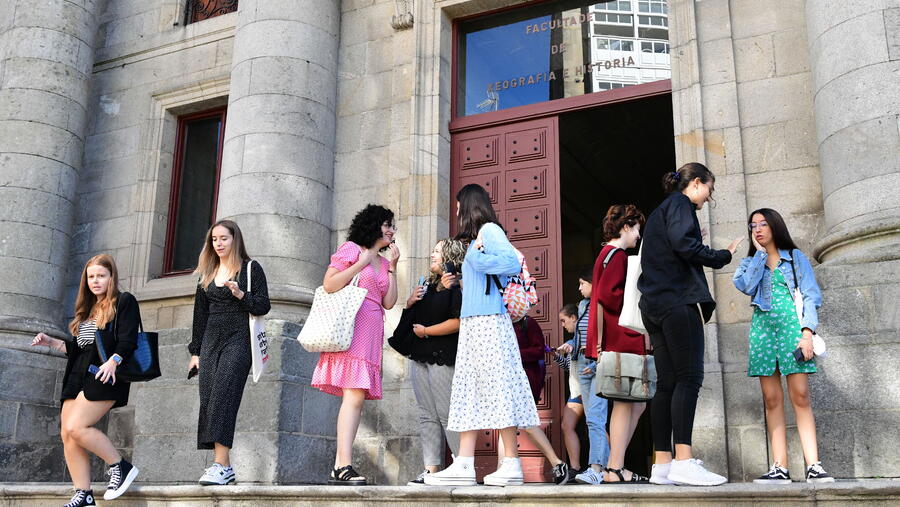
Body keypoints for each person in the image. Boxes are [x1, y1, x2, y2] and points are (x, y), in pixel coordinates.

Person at [424, 184, 539, 487]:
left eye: (459, 205)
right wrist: (462, 281)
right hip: (477, 321)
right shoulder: (479, 238)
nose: (457, 210)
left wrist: (476, 261)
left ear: (469, 205)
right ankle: (465, 462)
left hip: (488, 321)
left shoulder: (489, 230)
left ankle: (511, 464)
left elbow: (511, 263)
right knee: (468, 389)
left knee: (497, 387)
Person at [637, 162, 744, 486]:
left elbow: (673, 246)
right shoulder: (681, 204)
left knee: (667, 384)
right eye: (709, 190)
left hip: (653, 307)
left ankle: (662, 466)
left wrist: (694, 238)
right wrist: (722, 255)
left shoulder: (660, 211)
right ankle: (684, 461)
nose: (707, 197)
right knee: (689, 378)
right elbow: (685, 246)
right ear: (696, 183)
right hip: (676, 303)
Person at [733, 208, 834, 484]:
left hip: (793, 332)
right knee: (771, 399)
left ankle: (814, 465)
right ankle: (780, 467)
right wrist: (760, 256)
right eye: (753, 225)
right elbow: (744, 285)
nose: (758, 229)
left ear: (775, 226)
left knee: (800, 395)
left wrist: (807, 334)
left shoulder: (795, 258)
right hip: (763, 334)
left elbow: (811, 295)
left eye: (763, 224)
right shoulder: (750, 264)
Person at [31, 254, 141, 506]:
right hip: (78, 377)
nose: (95, 281)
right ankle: (84, 494)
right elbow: (81, 350)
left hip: (105, 374)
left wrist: (114, 361)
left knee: (76, 427)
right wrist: (53, 342)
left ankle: (120, 466)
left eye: (101, 275)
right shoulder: (88, 309)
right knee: (67, 434)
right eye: (91, 277)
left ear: (111, 277)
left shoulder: (123, 301)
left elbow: (128, 340)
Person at [312, 204, 400, 485]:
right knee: (353, 397)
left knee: (357, 397)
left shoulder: (384, 264)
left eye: (393, 226)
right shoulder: (352, 249)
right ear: (374, 225)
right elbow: (329, 284)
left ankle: (341, 465)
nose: (391, 230)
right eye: (387, 224)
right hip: (351, 326)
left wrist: (394, 269)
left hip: (372, 328)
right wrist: (361, 263)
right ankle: (343, 464)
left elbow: (388, 302)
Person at [188, 220, 271, 486]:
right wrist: (195, 352)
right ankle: (224, 466)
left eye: (224, 238)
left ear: (235, 239)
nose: (219, 243)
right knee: (209, 397)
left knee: (224, 394)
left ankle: (218, 465)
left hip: (239, 339)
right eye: (214, 239)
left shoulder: (250, 268)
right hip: (211, 339)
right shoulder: (208, 272)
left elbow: (263, 305)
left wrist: (240, 295)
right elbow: (199, 316)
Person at [388, 238, 465, 485]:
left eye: (437, 252)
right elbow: (414, 319)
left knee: (446, 413)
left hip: (442, 356)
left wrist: (428, 331)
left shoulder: (457, 288)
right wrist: (410, 302)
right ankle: (431, 470)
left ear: (450, 257)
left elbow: (459, 322)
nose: (431, 255)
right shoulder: (428, 287)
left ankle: (463, 466)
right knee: (426, 415)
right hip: (419, 355)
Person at [591, 205, 650, 484]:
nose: (638, 235)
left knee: (634, 405)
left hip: (616, 339)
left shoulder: (606, 254)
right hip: (621, 338)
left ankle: (616, 464)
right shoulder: (617, 256)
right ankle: (615, 468)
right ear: (625, 227)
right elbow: (608, 296)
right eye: (637, 229)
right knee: (626, 404)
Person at [500, 314, 571, 485]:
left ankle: (558, 463)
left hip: (527, 379)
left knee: (528, 424)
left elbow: (538, 350)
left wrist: (513, 354)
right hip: (506, 379)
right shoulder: (500, 323)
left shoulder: (528, 323)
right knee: (503, 422)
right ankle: (503, 468)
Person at [560, 267, 611, 485]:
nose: (579, 288)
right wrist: (571, 346)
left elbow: (606, 335)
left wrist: (596, 361)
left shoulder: (604, 303)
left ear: (593, 283)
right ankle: (600, 468)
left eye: (583, 283)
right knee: (592, 420)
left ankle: (597, 469)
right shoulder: (582, 306)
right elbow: (582, 337)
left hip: (596, 363)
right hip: (582, 362)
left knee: (597, 418)